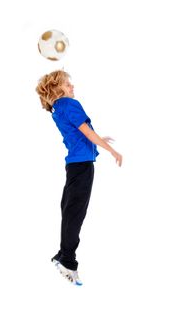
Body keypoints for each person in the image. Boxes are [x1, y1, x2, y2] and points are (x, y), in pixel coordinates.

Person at [35, 69, 122, 286]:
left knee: (69, 208)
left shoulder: (58, 108)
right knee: (75, 212)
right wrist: (111, 151)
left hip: (74, 165)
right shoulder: (70, 104)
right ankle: (67, 261)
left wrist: (99, 139)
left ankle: (62, 253)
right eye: (67, 84)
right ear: (57, 88)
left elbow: (78, 133)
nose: (72, 87)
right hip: (82, 165)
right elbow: (86, 131)